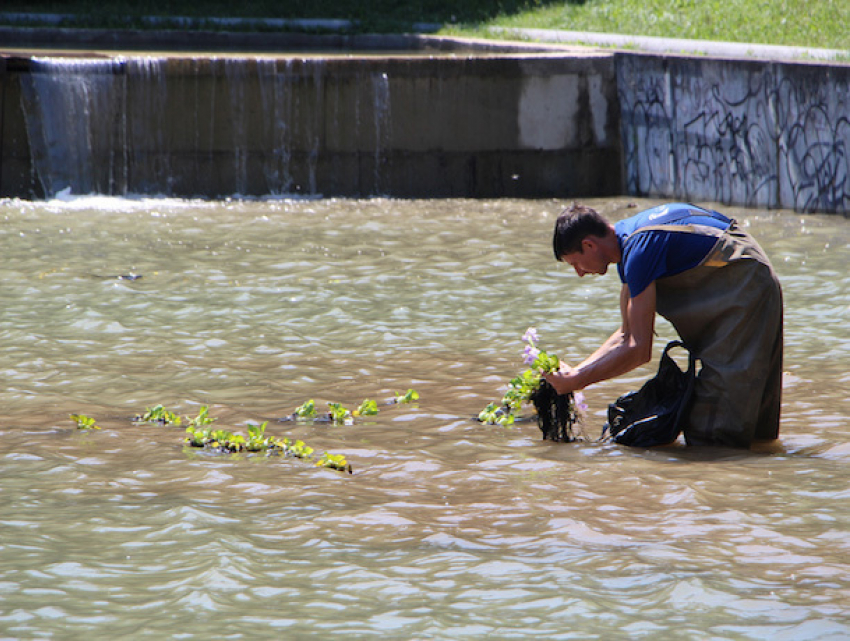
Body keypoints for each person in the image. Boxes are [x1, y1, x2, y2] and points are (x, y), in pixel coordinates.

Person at [543, 202, 783, 448]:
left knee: (711, 431)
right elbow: (626, 334)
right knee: (754, 427)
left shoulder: (640, 249)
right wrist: (575, 373)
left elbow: (638, 349)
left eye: (575, 264)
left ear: (589, 245)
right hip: (750, 278)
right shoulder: (629, 241)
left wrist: (578, 381)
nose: (580, 273)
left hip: (746, 285)